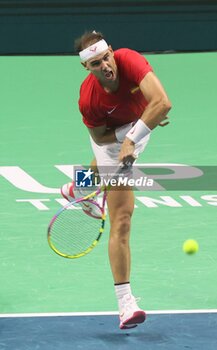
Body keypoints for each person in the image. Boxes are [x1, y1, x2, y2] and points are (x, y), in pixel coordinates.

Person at [61, 30, 171, 329]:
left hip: (137, 127)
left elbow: (162, 102)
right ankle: (125, 304)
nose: (105, 65)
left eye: (106, 57)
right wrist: (128, 138)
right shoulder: (89, 99)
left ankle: (77, 187)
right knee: (122, 218)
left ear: (112, 50)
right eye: (96, 63)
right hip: (111, 139)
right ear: (87, 67)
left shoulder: (130, 60)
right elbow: (99, 137)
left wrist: (135, 133)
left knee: (106, 165)